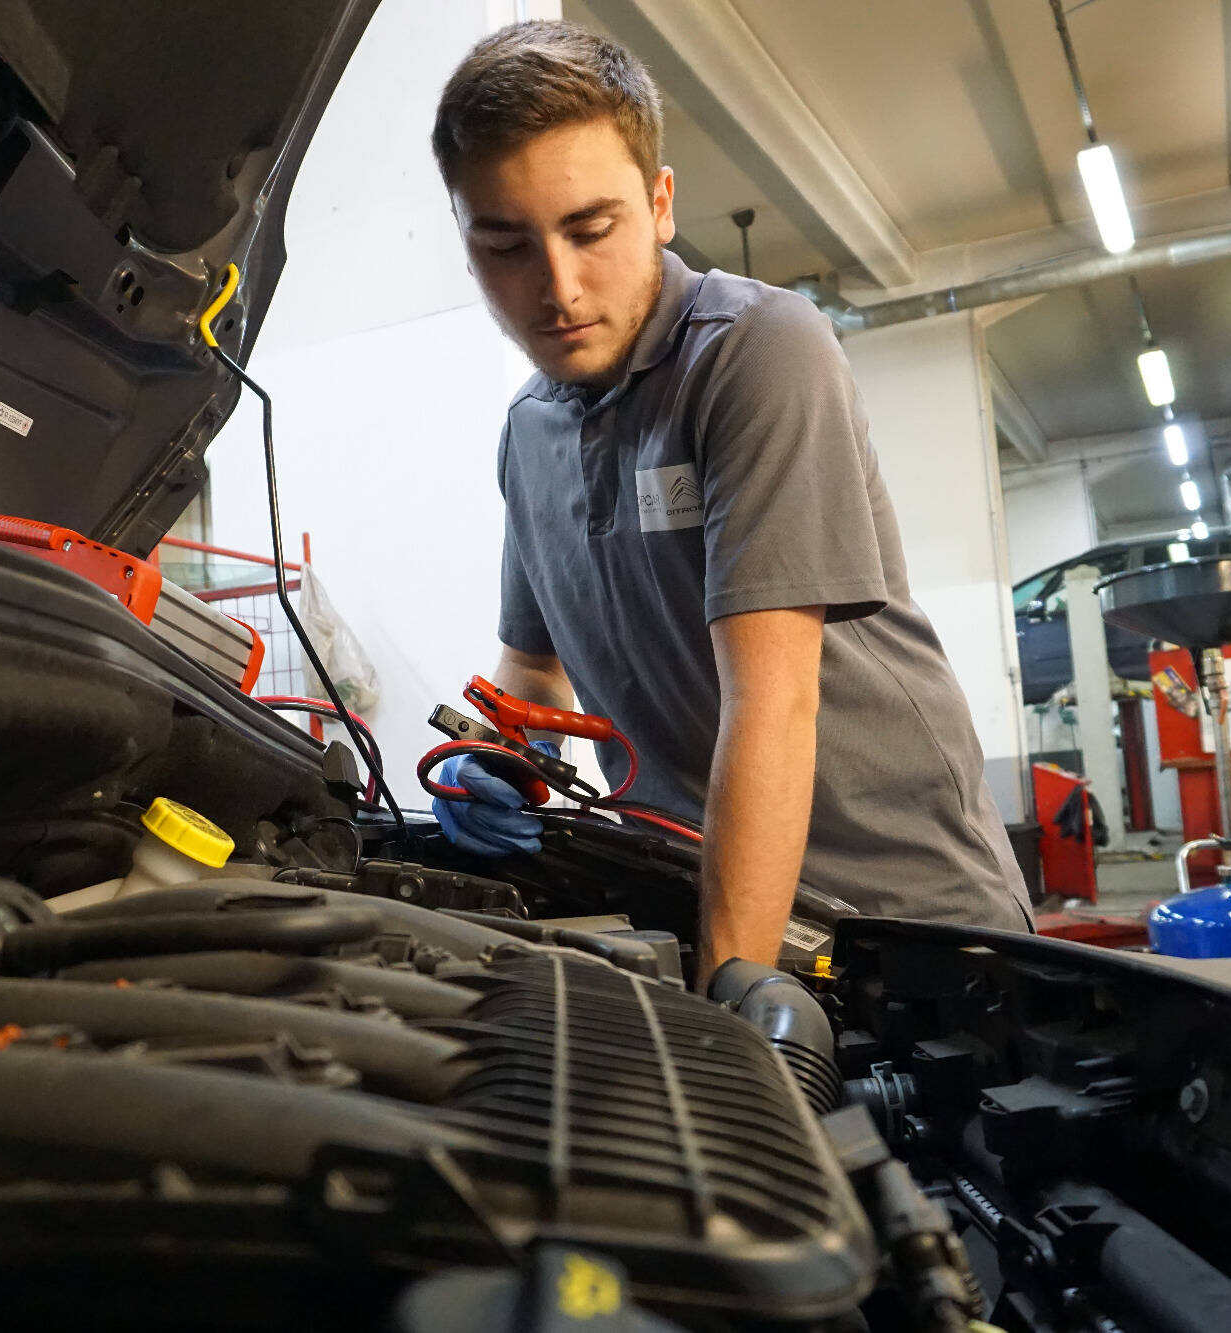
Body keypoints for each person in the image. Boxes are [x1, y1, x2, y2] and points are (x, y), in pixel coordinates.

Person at [428, 19, 1034, 979]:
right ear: (467, 247)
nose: (559, 285)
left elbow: (773, 700)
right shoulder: (528, 430)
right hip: (700, 896)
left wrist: (730, 998)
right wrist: (496, 765)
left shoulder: (757, 351)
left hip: (905, 926)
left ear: (661, 203)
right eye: (507, 245)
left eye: (592, 229)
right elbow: (531, 673)